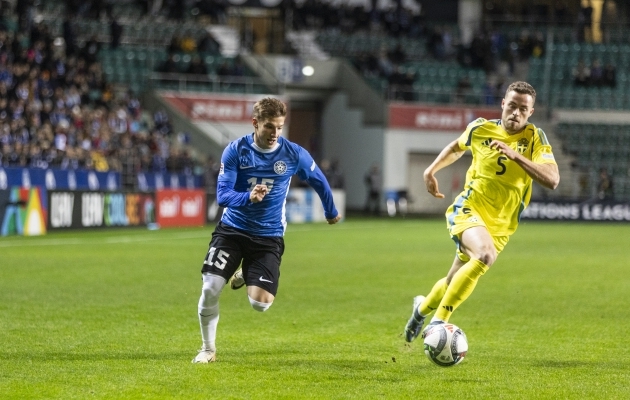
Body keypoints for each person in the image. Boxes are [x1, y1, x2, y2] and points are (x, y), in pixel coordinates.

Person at [403, 81, 560, 343]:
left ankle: (420, 311)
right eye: (512, 106)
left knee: (453, 279)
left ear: (530, 113)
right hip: (469, 208)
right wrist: (430, 170)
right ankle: (438, 323)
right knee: (485, 255)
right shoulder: (480, 128)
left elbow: (553, 179)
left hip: (501, 225)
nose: (516, 113)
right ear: (502, 104)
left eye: (523, 109)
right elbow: (456, 147)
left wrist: (516, 156)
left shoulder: (534, 138)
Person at [192, 97, 342, 363]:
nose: (275, 133)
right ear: (255, 123)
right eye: (270, 127)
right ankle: (207, 349)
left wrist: (330, 211)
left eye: (280, 127)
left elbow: (318, 179)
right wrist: (248, 197)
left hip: (268, 235)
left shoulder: (293, 153)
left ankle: (244, 272)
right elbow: (223, 195)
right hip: (233, 229)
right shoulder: (235, 151)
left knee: (260, 304)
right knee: (210, 288)